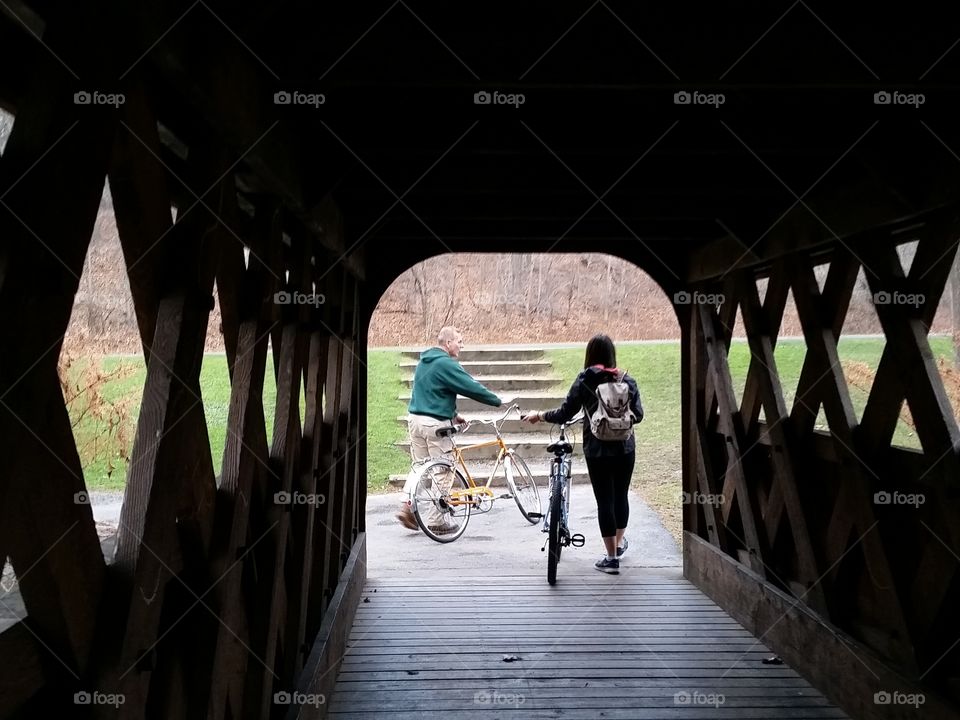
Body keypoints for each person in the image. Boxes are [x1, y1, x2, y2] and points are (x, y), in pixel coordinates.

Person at [523, 334, 642, 574]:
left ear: (590, 354)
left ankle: (611, 558)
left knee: (604, 501)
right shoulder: (626, 380)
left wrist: (540, 415)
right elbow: (638, 415)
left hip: (597, 450)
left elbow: (565, 413)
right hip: (625, 448)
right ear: (612, 354)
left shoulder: (585, 380)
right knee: (621, 496)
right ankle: (618, 546)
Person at [397, 326, 503, 533]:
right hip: (435, 425)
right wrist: (498, 401)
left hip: (415, 420)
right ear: (448, 343)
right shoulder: (446, 364)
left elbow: (435, 391)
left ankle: (407, 507)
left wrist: (453, 415)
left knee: (420, 468)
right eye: (459, 341)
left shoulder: (424, 362)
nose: (461, 346)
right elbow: (470, 386)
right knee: (443, 470)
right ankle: (437, 520)